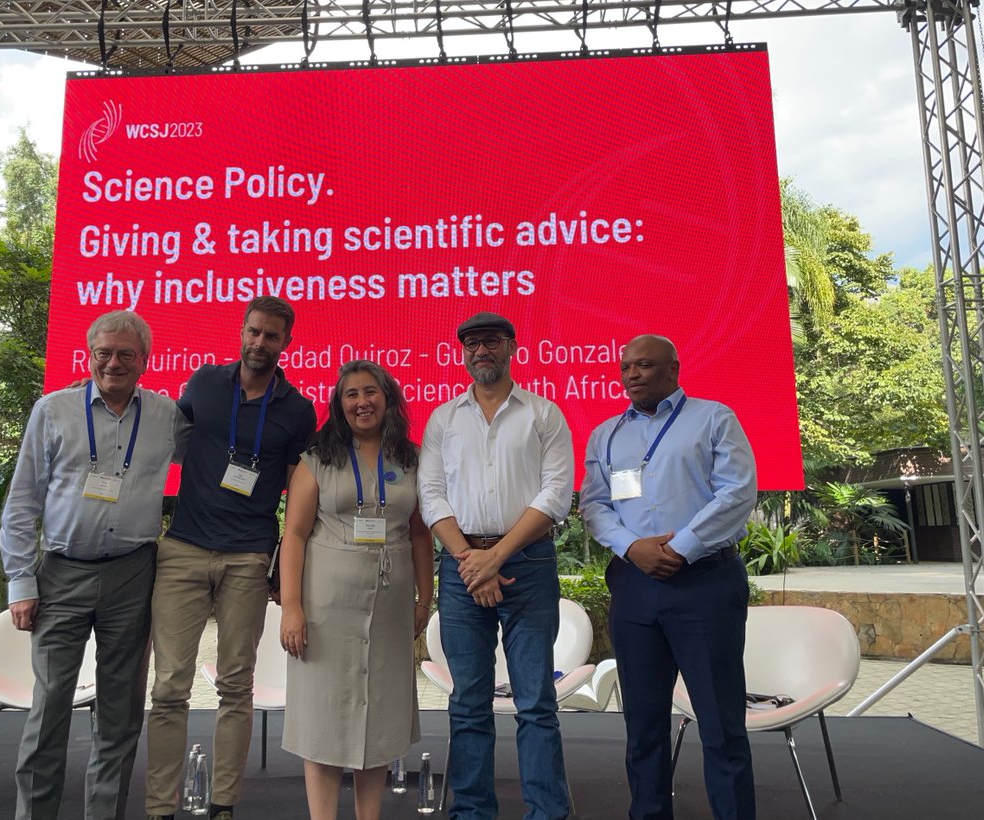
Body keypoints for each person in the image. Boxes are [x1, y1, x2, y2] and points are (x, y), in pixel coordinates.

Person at [0, 310, 189, 820]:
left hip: (133, 573)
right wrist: (20, 579)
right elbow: (22, 501)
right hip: (60, 573)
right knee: (50, 707)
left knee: (121, 711)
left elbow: (212, 466)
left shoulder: (168, 416)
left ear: (146, 361)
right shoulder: (53, 410)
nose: (114, 363)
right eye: (104, 353)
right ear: (89, 355)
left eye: (126, 354)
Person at [146, 296, 317, 820]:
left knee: (235, 686)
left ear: (286, 343)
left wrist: (283, 567)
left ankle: (223, 804)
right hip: (183, 550)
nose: (260, 343)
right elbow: (172, 446)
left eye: (271, 336)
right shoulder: (202, 384)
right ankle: (159, 807)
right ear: (241, 332)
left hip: (248, 556)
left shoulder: (298, 409)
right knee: (170, 685)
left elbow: (299, 495)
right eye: (254, 332)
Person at [579, 334, 758, 820]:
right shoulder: (606, 434)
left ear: (674, 369)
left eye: (644, 365)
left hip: (704, 583)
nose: (632, 375)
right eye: (625, 368)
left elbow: (738, 494)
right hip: (634, 586)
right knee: (643, 724)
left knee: (721, 725)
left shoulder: (713, 418)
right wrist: (632, 547)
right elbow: (594, 505)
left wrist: (679, 548)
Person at [418, 311, 574, 820]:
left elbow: (556, 496)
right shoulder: (444, 419)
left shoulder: (543, 414)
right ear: (462, 353)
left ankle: (548, 813)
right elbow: (431, 496)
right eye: (470, 343)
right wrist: (470, 562)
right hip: (464, 569)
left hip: (527, 564)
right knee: (468, 704)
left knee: (535, 703)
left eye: (489, 341)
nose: (479, 350)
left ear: (511, 346)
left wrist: (495, 558)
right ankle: (472, 813)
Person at [278, 360, 435, 820]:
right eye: (352, 394)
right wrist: (291, 607)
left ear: (388, 400)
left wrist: (425, 600)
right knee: (323, 720)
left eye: (371, 392)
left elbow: (422, 534)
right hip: (326, 611)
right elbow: (294, 536)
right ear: (339, 403)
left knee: (380, 721)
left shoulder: (412, 458)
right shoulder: (317, 458)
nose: (362, 402)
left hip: (389, 608)